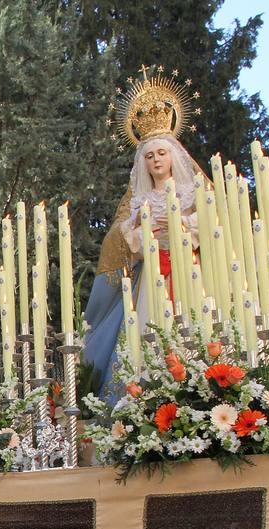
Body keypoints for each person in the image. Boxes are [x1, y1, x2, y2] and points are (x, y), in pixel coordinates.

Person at [85, 73, 204, 394]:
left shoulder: (191, 191)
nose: (156, 160)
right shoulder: (139, 199)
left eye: (161, 154)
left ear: (173, 156)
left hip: (187, 270)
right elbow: (124, 237)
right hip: (151, 275)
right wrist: (143, 232)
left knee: (191, 325)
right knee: (147, 330)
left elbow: (208, 228)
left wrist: (182, 227)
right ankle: (147, 392)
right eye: (150, 156)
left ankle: (197, 384)